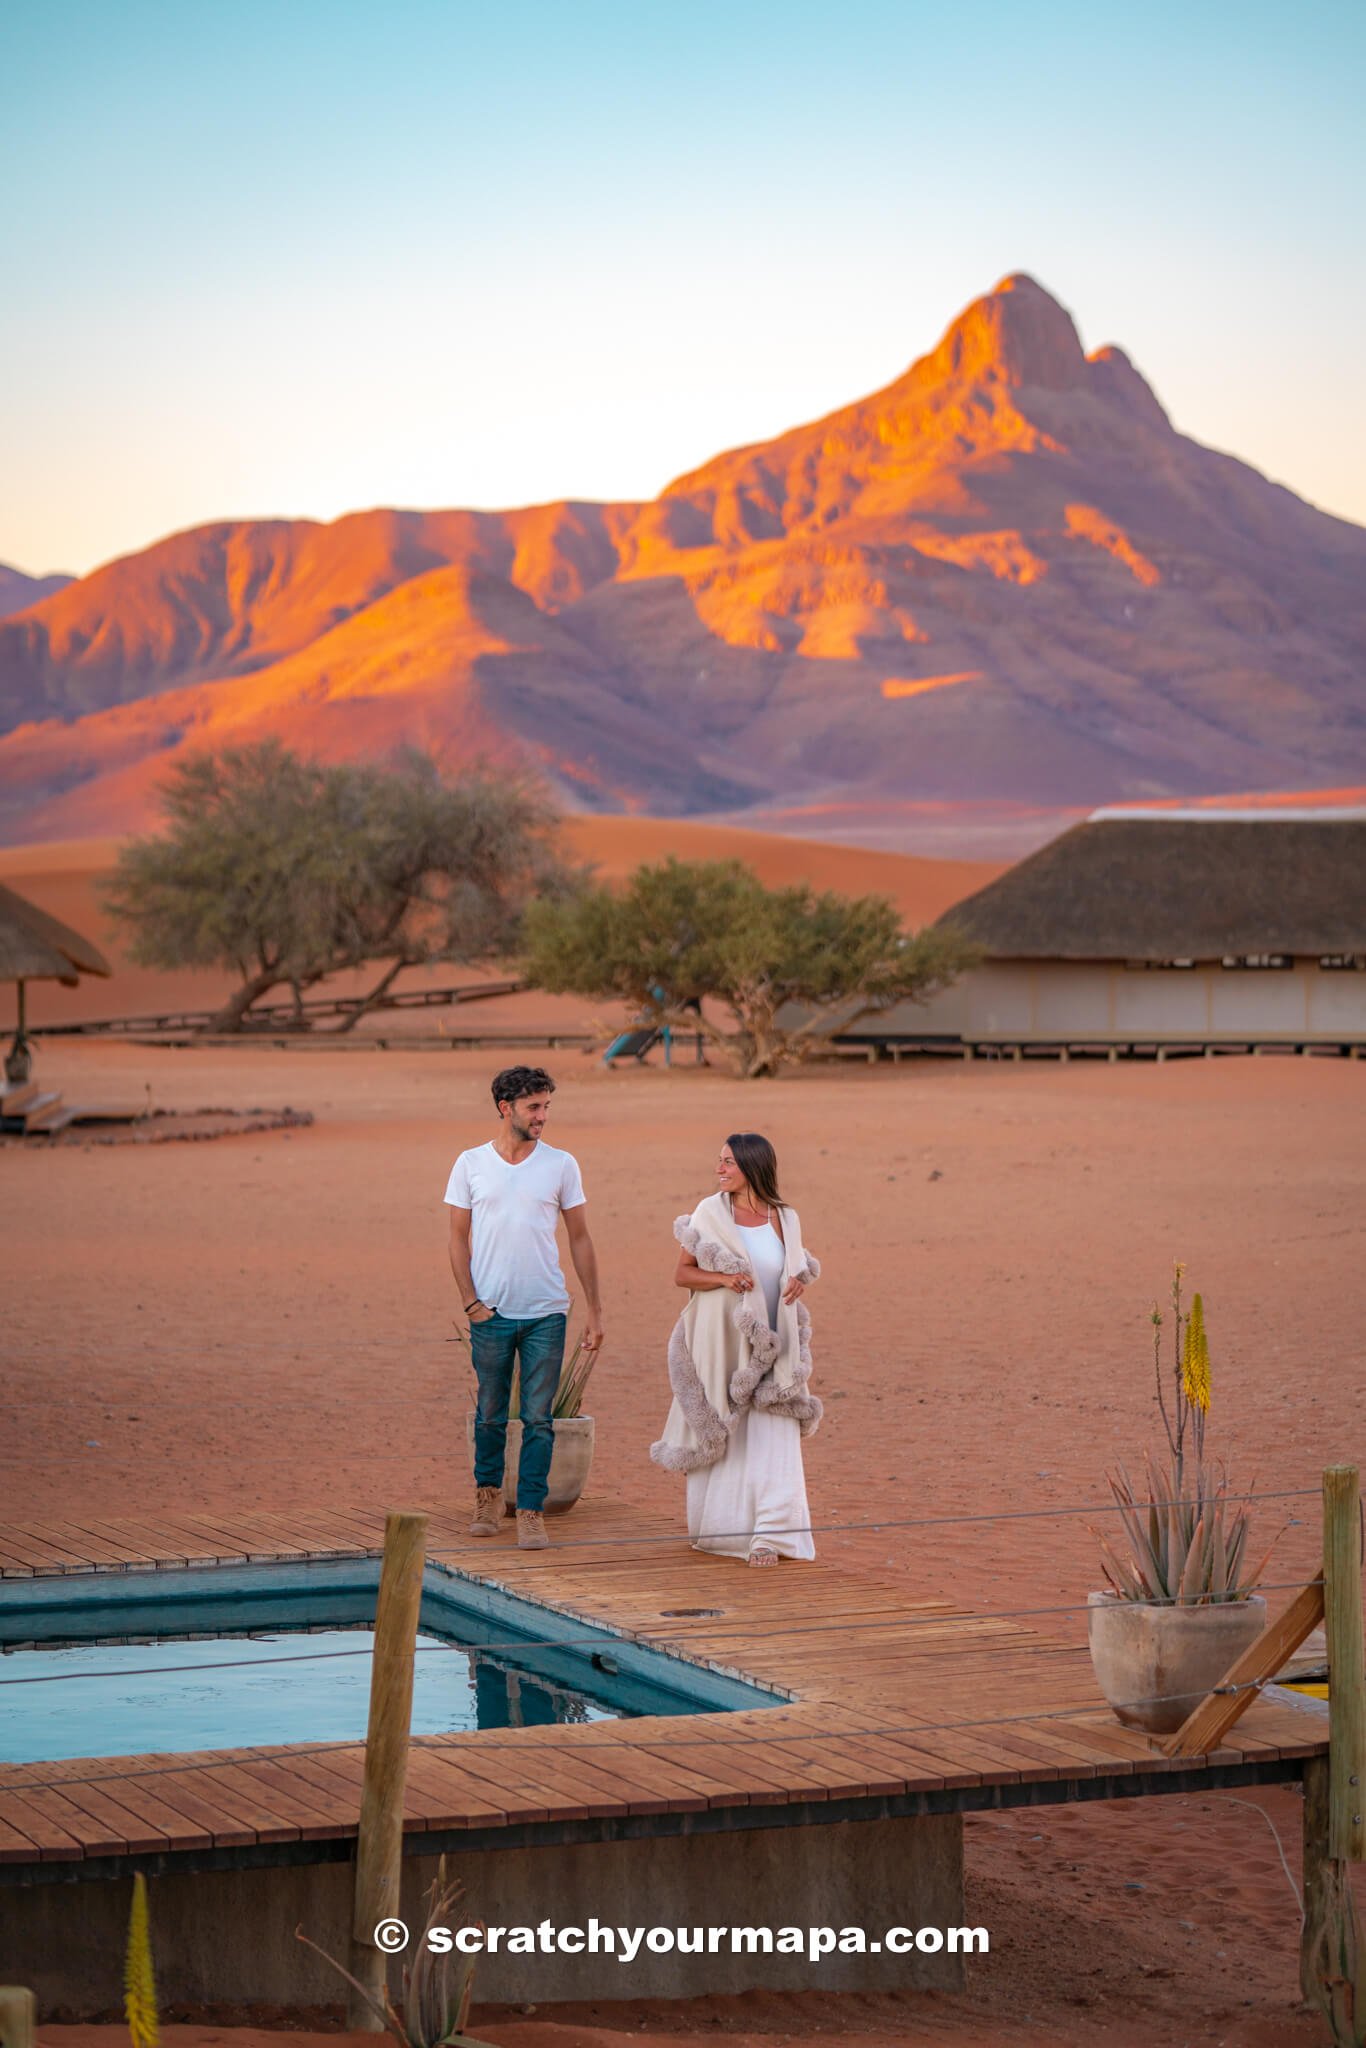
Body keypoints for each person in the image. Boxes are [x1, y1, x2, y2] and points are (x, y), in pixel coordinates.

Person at [446, 1066, 603, 1550]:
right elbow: (456, 1238)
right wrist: (471, 1303)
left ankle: (531, 1512)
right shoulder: (470, 1163)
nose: (542, 1116)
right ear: (505, 1108)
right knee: (491, 1413)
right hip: (491, 1314)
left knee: (538, 1418)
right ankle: (488, 1497)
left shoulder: (561, 1165)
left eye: (546, 1107)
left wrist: (595, 1310)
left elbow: (580, 1238)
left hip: (545, 1313)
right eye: (534, 1107)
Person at [651, 1132, 821, 1565]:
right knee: (732, 1429)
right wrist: (725, 1279)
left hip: (776, 1344)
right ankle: (726, 1534)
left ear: (752, 1166)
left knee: (774, 1431)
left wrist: (799, 1279)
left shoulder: (786, 1217)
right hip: (724, 1341)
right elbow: (682, 1275)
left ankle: (770, 1536)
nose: (719, 1169)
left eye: (728, 1162)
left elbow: (794, 1267)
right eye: (719, 1161)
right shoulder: (709, 1213)